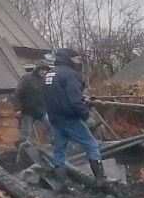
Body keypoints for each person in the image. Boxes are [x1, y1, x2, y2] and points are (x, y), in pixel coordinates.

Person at [44, 48, 106, 182]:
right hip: (69, 118)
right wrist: (86, 115)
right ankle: (101, 179)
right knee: (91, 144)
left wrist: (85, 101)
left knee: (59, 151)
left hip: (54, 118)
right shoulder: (70, 74)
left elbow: (57, 96)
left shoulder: (50, 73)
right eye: (78, 59)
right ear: (69, 59)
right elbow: (74, 99)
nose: (80, 62)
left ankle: (61, 184)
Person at [15, 62, 51, 144]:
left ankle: (52, 143)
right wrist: (17, 108)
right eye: (42, 70)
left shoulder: (46, 80)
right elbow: (18, 93)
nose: (44, 72)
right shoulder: (26, 79)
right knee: (26, 133)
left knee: (53, 125)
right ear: (37, 70)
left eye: (46, 70)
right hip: (28, 111)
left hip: (42, 110)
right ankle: (26, 149)